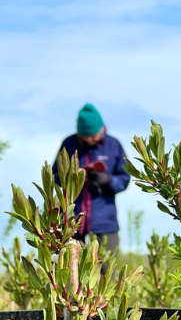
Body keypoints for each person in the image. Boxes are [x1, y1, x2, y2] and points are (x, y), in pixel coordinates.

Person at [52, 103, 130, 252]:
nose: (89, 140)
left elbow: (124, 179)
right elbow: (54, 177)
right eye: (85, 137)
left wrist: (108, 180)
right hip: (70, 221)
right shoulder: (69, 144)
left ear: (102, 129)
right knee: (68, 269)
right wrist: (71, 177)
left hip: (105, 222)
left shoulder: (114, 145)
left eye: (93, 136)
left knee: (107, 270)